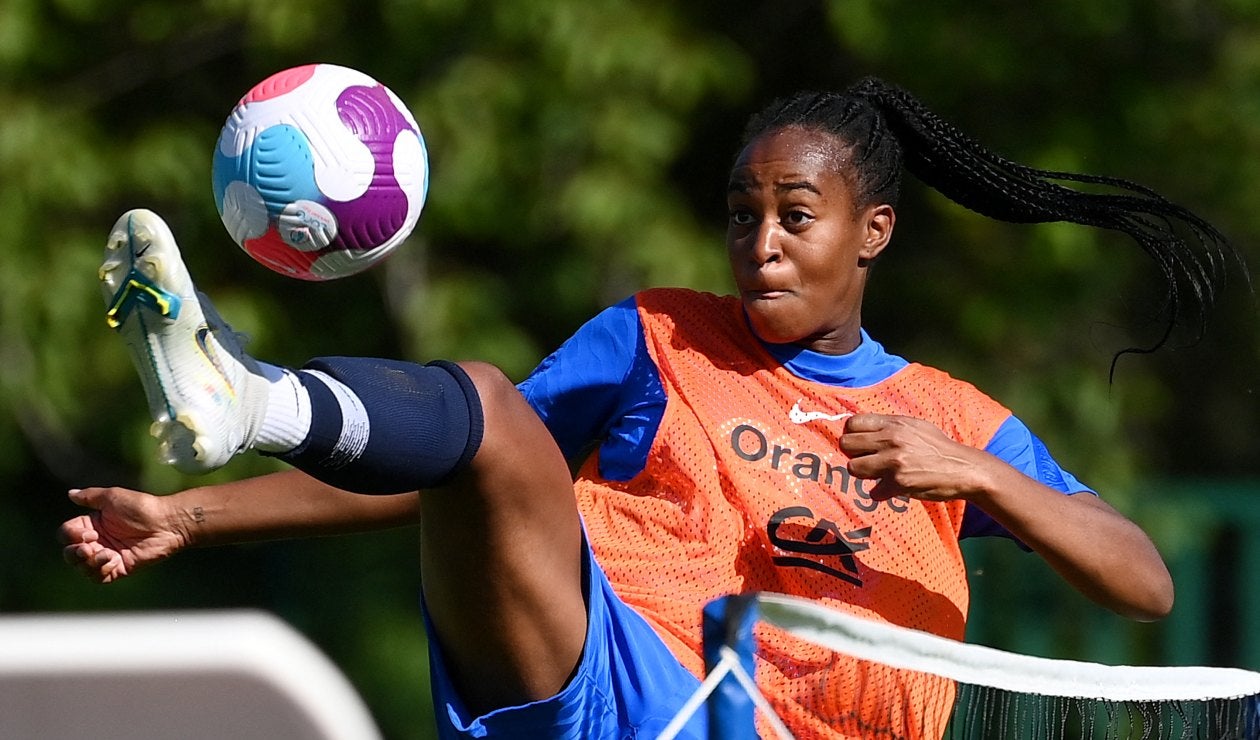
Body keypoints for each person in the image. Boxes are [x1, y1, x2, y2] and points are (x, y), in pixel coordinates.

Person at [61, 77, 1236, 739]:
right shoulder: (657, 336)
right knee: (478, 403)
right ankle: (253, 396)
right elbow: (461, 466)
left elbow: (1144, 580)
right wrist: (196, 515)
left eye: (794, 214)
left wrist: (981, 477)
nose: (760, 243)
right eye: (741, 213)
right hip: (623, 690)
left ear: (873, 232)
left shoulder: (951, 416)